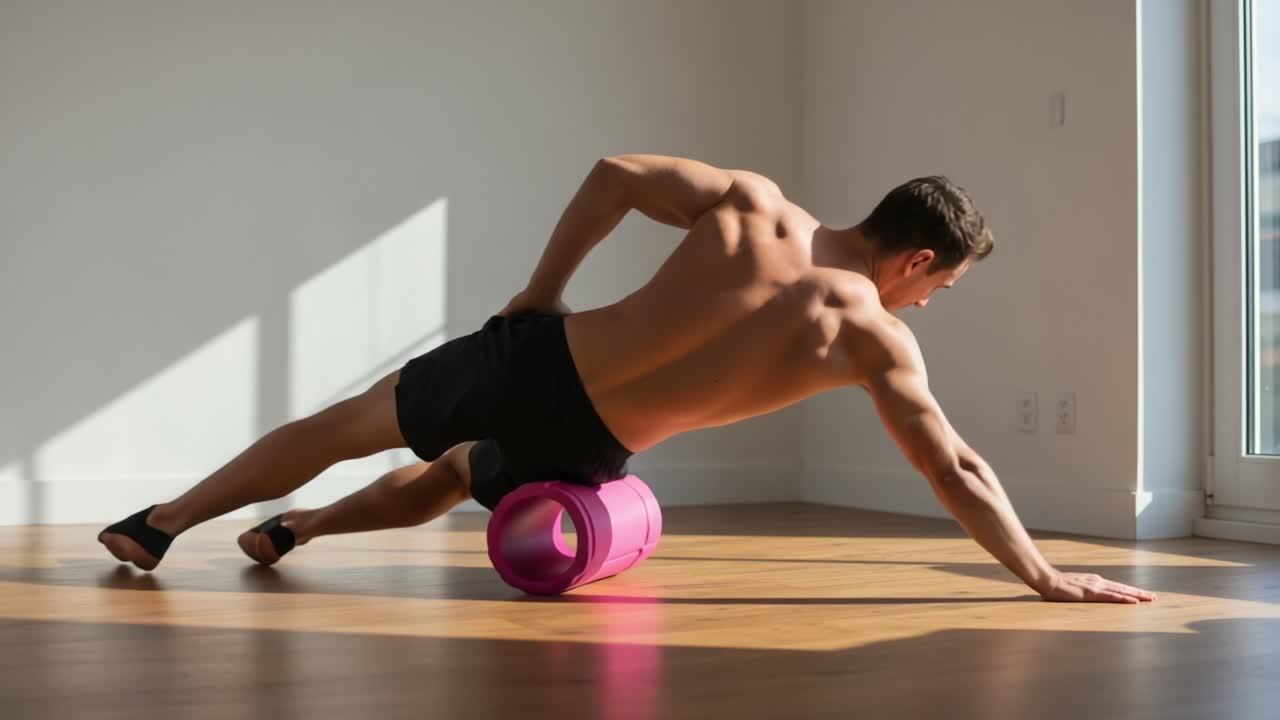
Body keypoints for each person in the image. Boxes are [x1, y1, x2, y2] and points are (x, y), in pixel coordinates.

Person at [99, 154, 1156, 604]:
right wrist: (1041, 575)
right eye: (940, 288)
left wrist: (542, 290)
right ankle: (302, 530)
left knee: (344, 427)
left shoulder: (752, 205)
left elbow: (613, 174)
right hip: (592, 446)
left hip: (539, 360)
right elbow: (954, 468)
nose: (926, 305)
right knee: (463, 474)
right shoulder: (872, 339)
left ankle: (162, 525)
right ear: (917, 258)